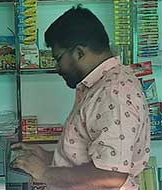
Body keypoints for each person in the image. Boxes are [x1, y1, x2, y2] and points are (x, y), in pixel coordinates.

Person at [11, 5, 150, 190]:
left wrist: (45, 173)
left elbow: (110, 176)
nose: (56, 67)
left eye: (58, 58)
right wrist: (50, 157)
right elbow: (93, 156)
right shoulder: (99, 85)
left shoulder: (113, 93)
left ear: (79, 53)